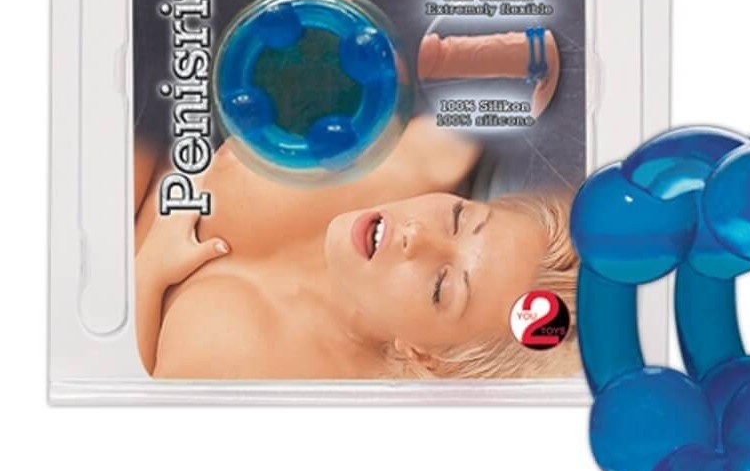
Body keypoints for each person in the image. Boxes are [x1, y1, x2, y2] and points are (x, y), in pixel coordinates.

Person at [135, 117, 579, 379]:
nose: (417, 235)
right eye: (459, 218)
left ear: (425, 355)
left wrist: (144, 276)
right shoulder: (419, 168)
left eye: (440, 286)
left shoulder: (279, 382)